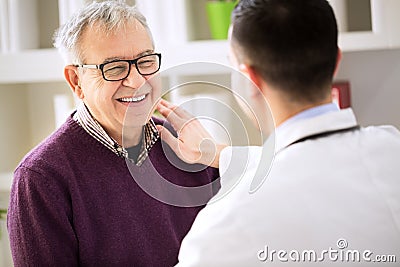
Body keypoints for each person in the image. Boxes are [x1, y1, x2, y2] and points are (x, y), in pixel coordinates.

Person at [156, 0, 400, 266]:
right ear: (337, 60)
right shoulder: (391, 147)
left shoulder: (226, 226)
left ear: (249, 78)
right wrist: (221, 154)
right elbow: (313, 164)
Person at [7, 1, 219, 266]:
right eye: (115, 68)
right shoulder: (40, 178)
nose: (137, 80)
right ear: (76, 81)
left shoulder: (188, 142)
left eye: (146, 61)